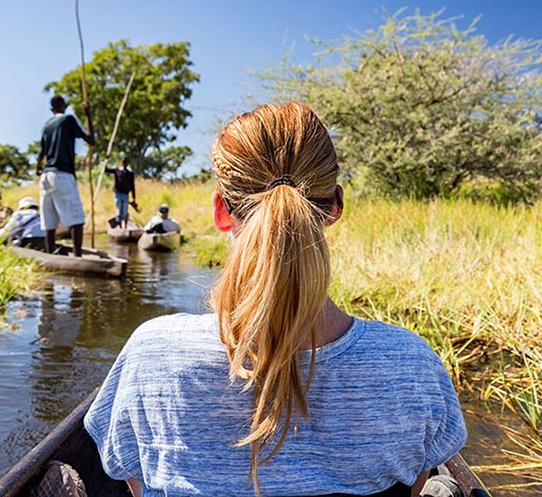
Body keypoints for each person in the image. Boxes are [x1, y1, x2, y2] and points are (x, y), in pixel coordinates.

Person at [84, 102, 466, 497]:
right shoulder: (411, 363)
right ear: (335, 206)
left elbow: (135, 483)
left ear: (220, 211)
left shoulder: (152, 354)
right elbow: (413, 485)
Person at [36, 95, 95, 257]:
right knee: (77, 219)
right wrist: (88, 116)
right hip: (62, 174)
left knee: (49, 222)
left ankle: (49, 257)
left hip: (46, 177)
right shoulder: (69, 119)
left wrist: (38, 168)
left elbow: (41, 152)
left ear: (51, 109)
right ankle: (77, 258)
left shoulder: (47, 125)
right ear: (65, 106)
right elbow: (91, 140)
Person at [105, 157, 138, 228]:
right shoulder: (117, 170)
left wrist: (134, 197)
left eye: (126, 162)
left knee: (125, 211)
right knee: (119, 210)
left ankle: (125, 227)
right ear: (122, 162)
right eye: (124, 162)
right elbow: (106, 170)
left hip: (125, 194)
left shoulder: (130, 173)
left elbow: (132, 185)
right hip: (118, 194)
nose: (125, 163)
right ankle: (120, 227)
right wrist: (106, 160)